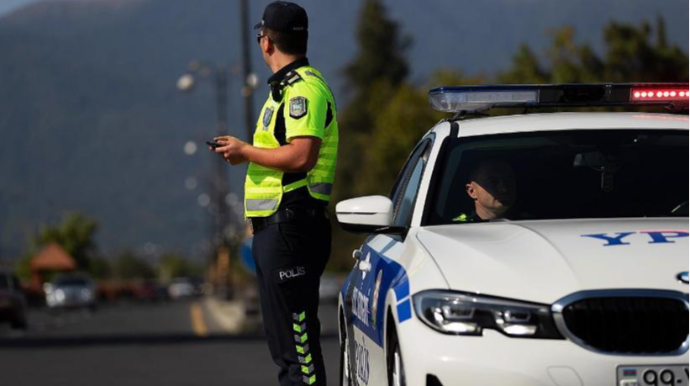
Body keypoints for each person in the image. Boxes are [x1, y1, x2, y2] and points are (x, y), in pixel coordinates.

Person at [211, 2, 338, 386]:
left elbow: (302, 155)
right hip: (278, 232)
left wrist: (245, 151)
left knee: (299, 351)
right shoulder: (284, 91)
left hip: (292, 229)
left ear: (265, 42)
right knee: (286, 352)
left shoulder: (303, 90)